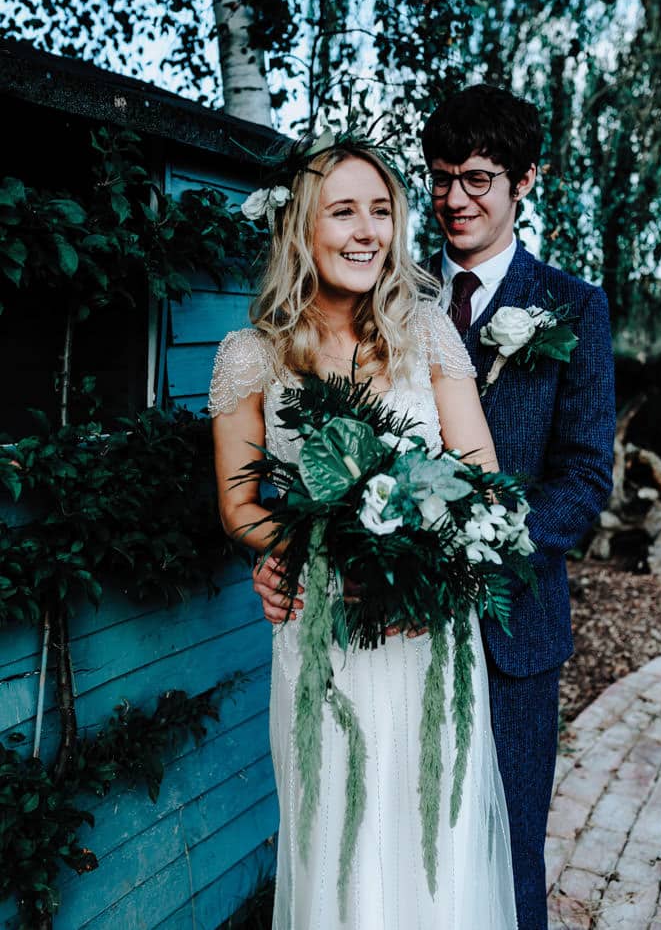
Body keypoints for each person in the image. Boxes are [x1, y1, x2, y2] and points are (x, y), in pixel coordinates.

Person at [209, 142, 518, 929]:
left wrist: (435, 571)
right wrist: (289, 552)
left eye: (380, 211)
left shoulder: (427, 335)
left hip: (427, 636)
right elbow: (242, 503)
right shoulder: (252, 355)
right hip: (324, 643)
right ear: (301, 229)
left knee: (433, 847)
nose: (366, 230)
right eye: (343, 210)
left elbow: (482, 480)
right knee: (336, 852)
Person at [421, 84, 616, 930]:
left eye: (476, 178)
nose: (454, 199)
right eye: (439, 179)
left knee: (511, 852)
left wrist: (489, 539)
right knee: (417, 842)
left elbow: (583, 477)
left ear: (525, 179)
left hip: (516, 631)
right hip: (400, 625)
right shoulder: (399, 300)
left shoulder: (575, 306)